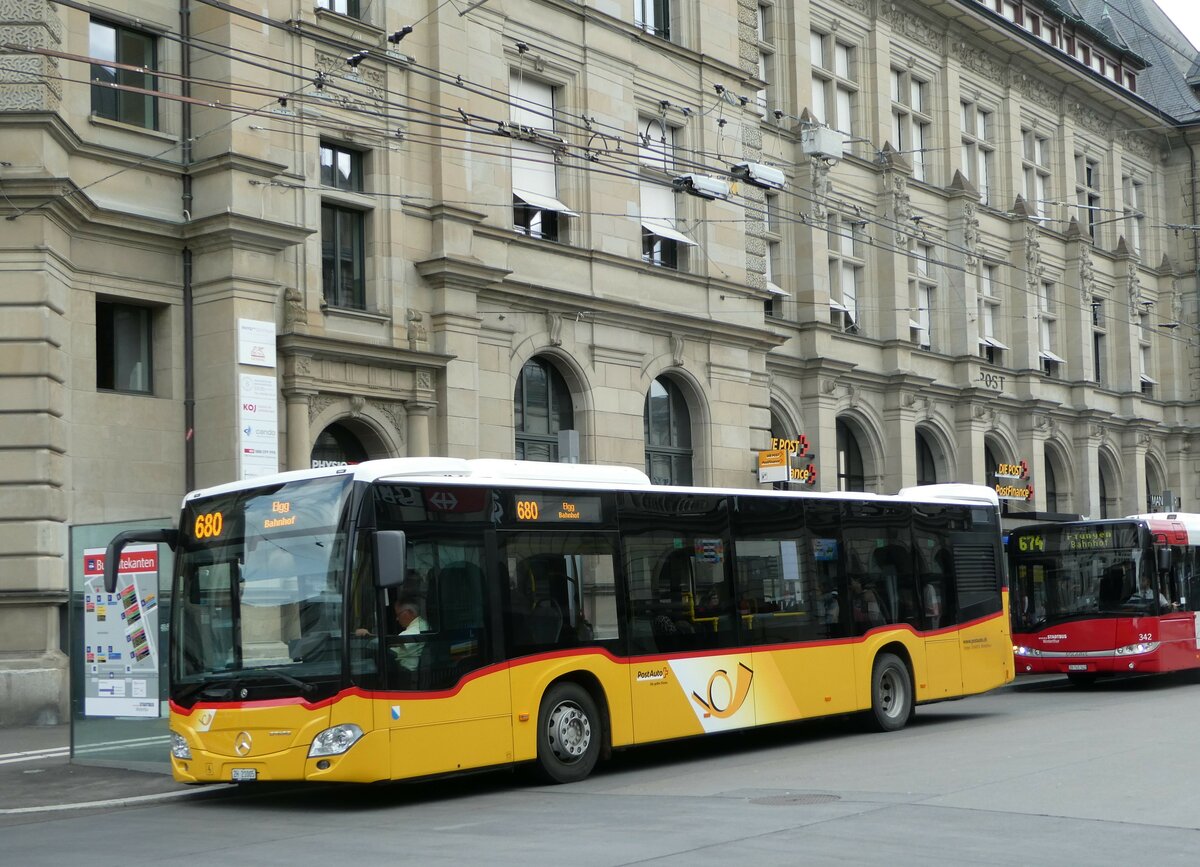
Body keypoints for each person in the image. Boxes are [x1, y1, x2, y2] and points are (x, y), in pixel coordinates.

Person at [391, 596, 429, 673]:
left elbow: (396, 641)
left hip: (407, 672)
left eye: (398, 614)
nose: (397, 619)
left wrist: (370, 636)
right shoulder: (419, 624)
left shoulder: (417, 628)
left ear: (409, 612)